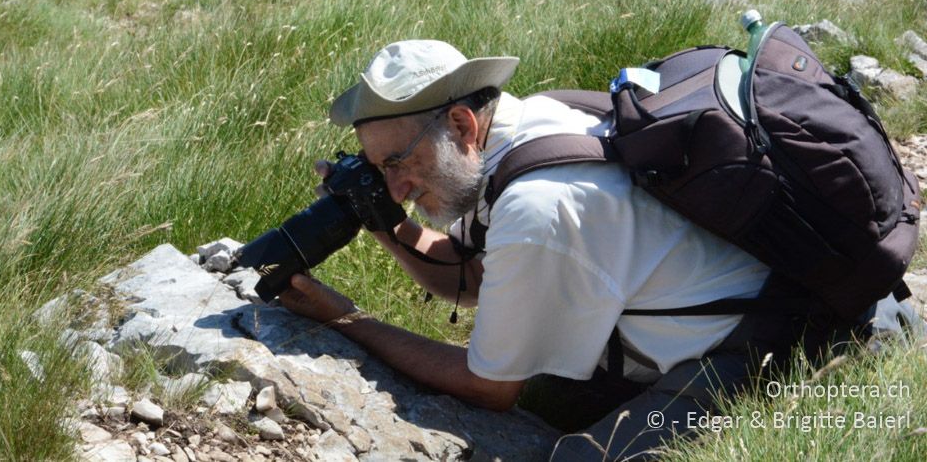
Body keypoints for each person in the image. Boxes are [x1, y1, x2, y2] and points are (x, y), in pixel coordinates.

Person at [278, 39, 920, 461]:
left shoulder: (537, 208)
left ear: (460, 125)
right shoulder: (540, 119)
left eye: (399, 163)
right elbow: (469, 277)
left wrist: (345, 320)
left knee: (575, 456)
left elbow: (488, 387)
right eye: (377, 170)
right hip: (771, 294)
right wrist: (388, 225)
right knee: (555, 393)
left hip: (785, 342)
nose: (396, 186)